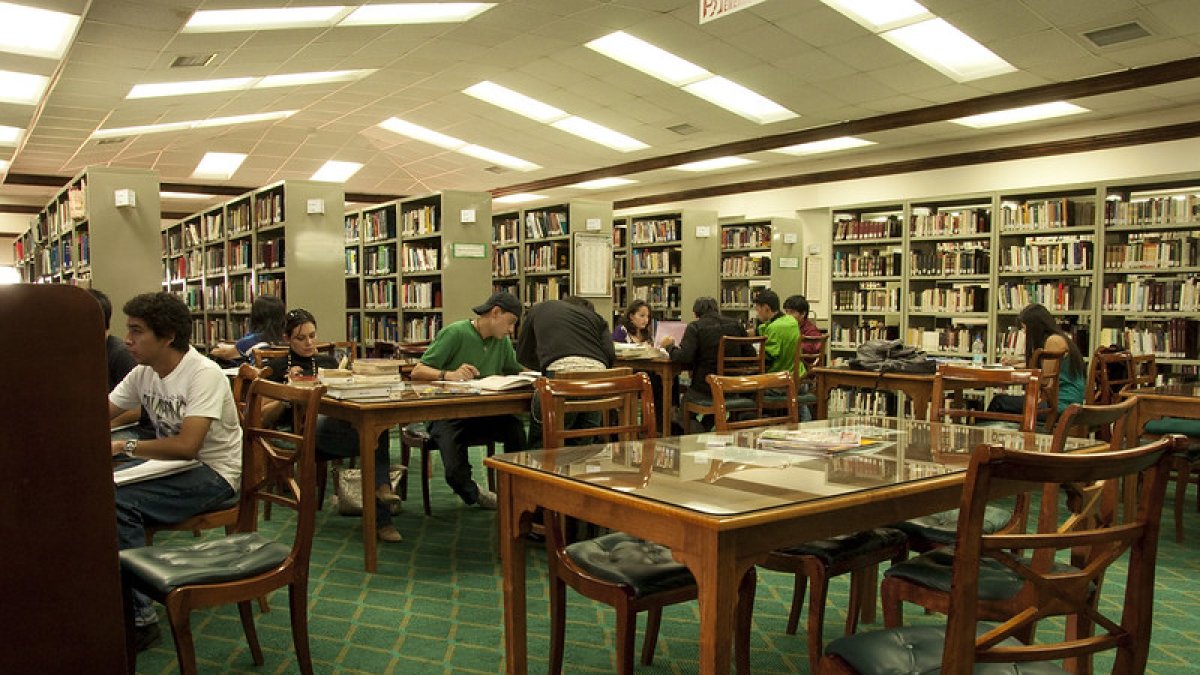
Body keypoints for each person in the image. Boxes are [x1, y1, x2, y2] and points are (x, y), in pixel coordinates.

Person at [108, 292, 243, 652]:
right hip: (171, 467)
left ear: (167, 336)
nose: (127, 340)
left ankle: (140, 618)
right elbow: (101, 411)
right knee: (93, 487)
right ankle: (112, 595)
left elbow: (188, 446)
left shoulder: (203, 374)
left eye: (137, 331)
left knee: (118, 502)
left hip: (214, 472)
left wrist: (125, 446)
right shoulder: (144, 373)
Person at [262, 308, 403, 543]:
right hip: (302, 433)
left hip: (335, 427)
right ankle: (382, 497)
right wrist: (288, 392)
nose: (309, 343)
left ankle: (382, 507)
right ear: (287, 339)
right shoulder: (276, 367)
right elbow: (262, 417)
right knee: (371, 434)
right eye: (300, 338)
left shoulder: (327, 362)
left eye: (312, 335)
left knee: (377, 428)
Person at [410, 292, 527, 508]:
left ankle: (518, 490)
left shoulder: (501, 342)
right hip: (447, 415)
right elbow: (417, 371)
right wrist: (448, 375)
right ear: (495, 312)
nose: (511, 330)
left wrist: (538, 377)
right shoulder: (455, 333)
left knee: (516, 430)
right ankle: (474, 494)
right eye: (510, 322)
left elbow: (515, 370)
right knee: (454, 472)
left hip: (483, 414)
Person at [517, 296, 616, 447]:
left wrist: (543, 366)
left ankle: (543, 468)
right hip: (596, 382)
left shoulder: (538, 309)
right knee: (583, 443)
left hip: (560, 378)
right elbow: (610, 354)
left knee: (543, 441)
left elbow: (523, 354)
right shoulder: (595, 317)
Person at [661, 296, 753, 431]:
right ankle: (706, 427)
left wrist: (669, 347)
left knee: (684, 406)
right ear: (717, 309)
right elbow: (750, 354)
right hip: (732, 386)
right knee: (710, 409)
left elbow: (684, 357)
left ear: (696, 313)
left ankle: (698, 434)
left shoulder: (695, 327)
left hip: (706, 388)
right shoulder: (736, 324)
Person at [990, 303, 1086, 415]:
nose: (1024, 333)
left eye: (1025, 328)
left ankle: (986, 432)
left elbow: (1044, 378)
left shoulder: (1054, 341)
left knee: (999, 402)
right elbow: (1045, 367)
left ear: (1035, 327)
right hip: (1064, 401)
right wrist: (1016, 363)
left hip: (1061, 404)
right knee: (1004, 403)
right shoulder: (1060, 338)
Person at [89, 288, 146, 435]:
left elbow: (135, 411)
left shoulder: (120, 354)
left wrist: (101, 428)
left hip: (130, 428)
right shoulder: (85, 353)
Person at [210, 295, 285, 363]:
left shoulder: (252, 340)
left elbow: (226, 354)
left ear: (255, 315)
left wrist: (215, 351)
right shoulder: (285, 339)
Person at [753, 289, 800, 376]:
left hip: (779, 378)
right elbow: (766, 327)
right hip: (797, 375)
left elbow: (767, 358)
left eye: (758, 310)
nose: (757, 314)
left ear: (766, 308)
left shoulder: (774, 327)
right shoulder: (791, 320)